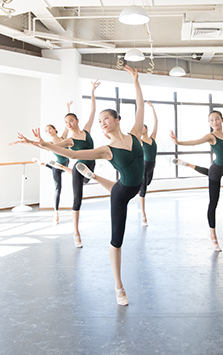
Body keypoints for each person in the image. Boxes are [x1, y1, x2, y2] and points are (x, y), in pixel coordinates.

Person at [17, 67, 145, 306]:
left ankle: (93, 176)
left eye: (106, 118)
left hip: (132, 185)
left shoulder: (135, 135)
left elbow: (140, 106)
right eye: (100, 121)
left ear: (117, 119)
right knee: (117, 239)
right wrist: (43, 144)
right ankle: (118, 286)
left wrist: (136, 81)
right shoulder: (106, 150)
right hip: (121, 194)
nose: (102, 123)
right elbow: (72, 153)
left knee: (121, 185)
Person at [170, 86, 223, 252]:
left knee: (209, 171)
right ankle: (213, 235)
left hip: (218, 168)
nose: (215, 122)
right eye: (211, 120)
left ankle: (188, 165)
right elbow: (194, 142)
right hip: (217, 171)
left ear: (222, 120)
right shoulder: (211, 137)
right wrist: (178, 142)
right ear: (209, 123)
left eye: (217, 119)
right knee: (213, 202)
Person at [9, 102, 72, 225]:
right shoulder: (49, 144)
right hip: (58, 166)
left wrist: (68, 108)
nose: (48, 131)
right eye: (46, 131)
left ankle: (43, 164)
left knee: (62, 168)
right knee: (58, 188)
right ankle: (56, 213)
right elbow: (37, 144)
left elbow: (66, 124)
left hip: (65, 163)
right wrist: (25, 141)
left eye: (50, 129)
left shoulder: (63, 138)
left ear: (55, 129)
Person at [54, 81, 99, 248]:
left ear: (77, 121)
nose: (69, 124)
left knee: (88, 178)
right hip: (80, 168)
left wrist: (92, 91)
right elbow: (54, 146)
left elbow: (93, 111)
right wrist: (36, 143)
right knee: (77, 199)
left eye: (71, 121)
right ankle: (76, 233)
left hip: (91, 165)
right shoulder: (69, 140)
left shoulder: (86, 130)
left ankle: (64, 168)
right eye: (66, 123)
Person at [137, 101, 158, 227]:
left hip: (152, 166)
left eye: (142, 127)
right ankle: (143, 215)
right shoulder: (140, 141)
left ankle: (136, 189)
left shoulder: (152, 138)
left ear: (146, 129)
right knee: (143, 189)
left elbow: (156, 122)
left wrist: (152, 108)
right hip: (144, 165)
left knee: (147, 184)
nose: (141, 129)